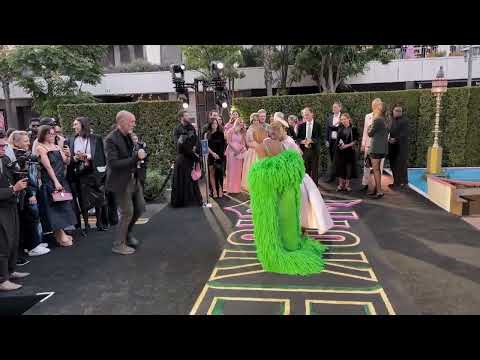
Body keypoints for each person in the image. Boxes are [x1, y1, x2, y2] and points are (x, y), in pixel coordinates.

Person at [248, 130, 327, 276]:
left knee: (277, 219)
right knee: (290, 217)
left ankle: (283, 246)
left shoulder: (261, 147)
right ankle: (292, 244)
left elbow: (265, 171)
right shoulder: (279, 144)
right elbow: (291, 159)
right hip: (289, 186)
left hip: (276, 188)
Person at [269, 119, 334, 235]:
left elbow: (299, 155)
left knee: (299, 202)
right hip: (286, 175)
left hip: (294, 176)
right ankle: (293, 226)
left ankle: (299, 227)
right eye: (272, 133)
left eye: (274, 133)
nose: (272, 136)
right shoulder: (282, 141)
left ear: (280, 131)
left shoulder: (288, 142)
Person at [105, 111, 147, 255]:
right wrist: (136, 157)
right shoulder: (111, 139)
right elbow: (114, 163)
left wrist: (139, 148)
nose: (134, 124)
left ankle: (127, 234)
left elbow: (138, 154)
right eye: (131, 121)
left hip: (134, 178)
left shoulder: (130, 137)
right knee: (127, 212)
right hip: (121, 182)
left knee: (140, 208)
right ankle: (119, 244)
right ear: (122, 122)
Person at [9, 131, 50, 257]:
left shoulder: (22, 154)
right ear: (16, 142)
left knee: (33, 217)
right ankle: (32, 246)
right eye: (25, 141)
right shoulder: (19, 156)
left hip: (30, 190)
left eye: (28, 140)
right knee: (31, 218)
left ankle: (34, 242)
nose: (28, 143)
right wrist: (30, 194)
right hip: (26, 193)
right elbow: (23, 177)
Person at [37, 125, 76, 246]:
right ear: (43, 135)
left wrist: (68, 154)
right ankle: (60, 235)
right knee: (54, 208)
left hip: (61, 179)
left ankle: (61, 233)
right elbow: (48, 167)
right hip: (50, 181)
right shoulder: (40, 148)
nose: (53, 136)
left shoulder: (56, 146)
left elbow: (66, 162)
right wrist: (55, 182)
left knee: (64, 206)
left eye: (54, 133)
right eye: (50, 134)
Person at [0, 136, 30, 291]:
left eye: (4, 145)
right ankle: (2, 280)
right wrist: (13, 189)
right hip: (1, 207)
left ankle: (10, 271)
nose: (4, 149)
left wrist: (22, 171)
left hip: (10, 204)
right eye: (0, 146)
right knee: (3, 243)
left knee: (14, 239)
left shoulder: (4, 159)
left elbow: (14, 175)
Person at [68, 117, 108, 234]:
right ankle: (85, 225)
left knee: (98, 198)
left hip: (94, 172)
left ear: (83, 125)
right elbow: (69, 157)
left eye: (76, 124)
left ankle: (99, 223)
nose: (74, 126)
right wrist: (76, 157)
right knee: (83, 200)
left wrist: (87, 156)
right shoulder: (71, 140)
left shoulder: (96, 138)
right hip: (80, 174)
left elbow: (101, 156)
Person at [171, 110, 203, 208]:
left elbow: (196, 140)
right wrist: (188, 147)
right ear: (181, 117)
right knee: (181, 179)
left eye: (188, 115)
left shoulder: (191, 127)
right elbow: (178, 144)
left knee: (191, 179)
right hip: (182, 158)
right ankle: (182, 201)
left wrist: (195, 149)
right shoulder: (176, 129)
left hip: (191, 158)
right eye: (186, 115)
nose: (188, 117)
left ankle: (192, 199)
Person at [361, 98, 385, 191]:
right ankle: (365, 183)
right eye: (373, 105)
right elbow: (365, 131)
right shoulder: (368, 116)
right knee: (366, 165)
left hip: (379, 147)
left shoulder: (383, 117)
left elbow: (386, 133)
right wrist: (363, 144)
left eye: (376, 105)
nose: (374, 106)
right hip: (368, 145)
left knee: (379, 167)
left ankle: (377, 186)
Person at [367, 100, 388, 199]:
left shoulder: (377, 119)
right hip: (381, 148)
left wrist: (369, 127)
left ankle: (379, 191)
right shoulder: (383, 119)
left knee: (375, 170)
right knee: (377, 170)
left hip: (376, 148)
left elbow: (370, 133)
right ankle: (377, 189)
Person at [333, 113, 359, 192]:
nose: (343, 121)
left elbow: (356, 141)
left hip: (350, 151)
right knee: (341, 167)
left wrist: (346, 146)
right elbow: (336, 135)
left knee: (349, 168)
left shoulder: (353, 128)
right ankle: (341, 185)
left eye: (344, 119)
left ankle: (347, 185)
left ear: (349, 119)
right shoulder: (340, 128)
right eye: (341, 119)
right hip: (340, 151)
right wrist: (339, 145)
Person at [296, 107, 321, 185]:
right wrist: (303, 141)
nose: (306, 117)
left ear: (312, 114)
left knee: (314, 170)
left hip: (314, 151)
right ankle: (307, 187)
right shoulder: (301, 126)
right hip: (304, 151)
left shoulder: (318, 125)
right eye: (304, 115)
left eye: (307, 115)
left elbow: (320, 138)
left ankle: (315, 188)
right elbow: (297, 139)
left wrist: (312, 140)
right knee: (305, 170)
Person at [388, 104, 409, 189]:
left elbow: (405, 134)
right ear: (393, 111)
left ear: (401, 112)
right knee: (393, 164)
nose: (397, 112)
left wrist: (395, 139)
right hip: (392, 147)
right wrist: (389, 138)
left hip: (401, 147)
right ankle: (396, 182)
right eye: (395, 110)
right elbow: (388, 131)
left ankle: (404, 182)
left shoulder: (405, 121)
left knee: (402, 164)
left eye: (399, 111)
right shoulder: (391, 120)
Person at [204, 117, 226, 198]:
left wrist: (219, 155)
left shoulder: (221, 133)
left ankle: (220, 189)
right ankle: (214, 190)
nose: (215, 125)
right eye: (213, 123)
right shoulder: (207, 134)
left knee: (220, 174)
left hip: (220, 156)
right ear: (210, 124)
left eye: (216, 123)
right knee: (212, 174)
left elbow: (224, 145)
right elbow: (206, 145)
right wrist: (213, 153)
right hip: (211, 155)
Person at [225, 118, 247, 194]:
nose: (241, 123)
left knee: (238, 170)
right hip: (231, 152)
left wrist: (241, 150)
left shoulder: (242, 132)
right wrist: (235, 150)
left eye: (242, 122)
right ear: (236, 122)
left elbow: (243, 143)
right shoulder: (231, 130)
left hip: (239, 153)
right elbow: (228, 141)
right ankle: (230, 189)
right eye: (240, 122)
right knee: (231, 170)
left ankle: (237, 188)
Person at [241, 113, 260, 192]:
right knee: (252, 168)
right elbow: (247, 143)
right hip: (252, 152)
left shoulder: (260, 128)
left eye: (257, 120)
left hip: (260, 151)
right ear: (251, 121)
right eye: (254, 120)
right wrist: (254, 146)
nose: (256, 122)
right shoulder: (249, 130)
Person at [325, 101, 343, 182]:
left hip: (339, 142)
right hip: (331, 141)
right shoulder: (329, 118)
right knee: (331, 160)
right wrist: (326, 140)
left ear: (340, 108)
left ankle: (340, 178)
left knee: (339, 159)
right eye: (333, 107)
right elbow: (327, 130)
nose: (334, 109)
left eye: (335, 107)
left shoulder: (343, 117)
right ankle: (331, 177)